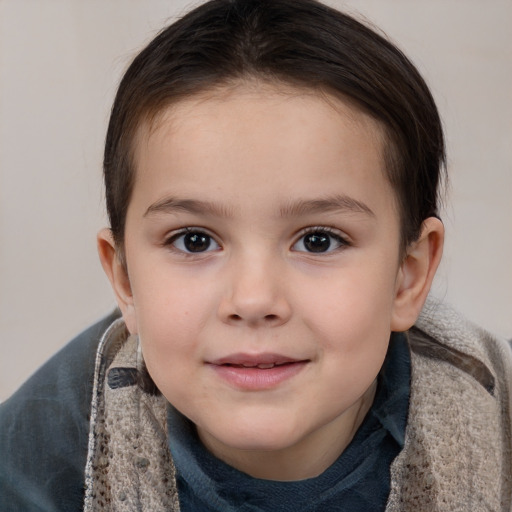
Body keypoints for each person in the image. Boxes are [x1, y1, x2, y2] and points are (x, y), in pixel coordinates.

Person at [1, 0, 511, 510]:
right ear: (126, 281)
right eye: (194, 240)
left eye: (318, 240)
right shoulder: (56, 438)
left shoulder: (494, 418)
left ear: (407, 277)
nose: (253, 299)